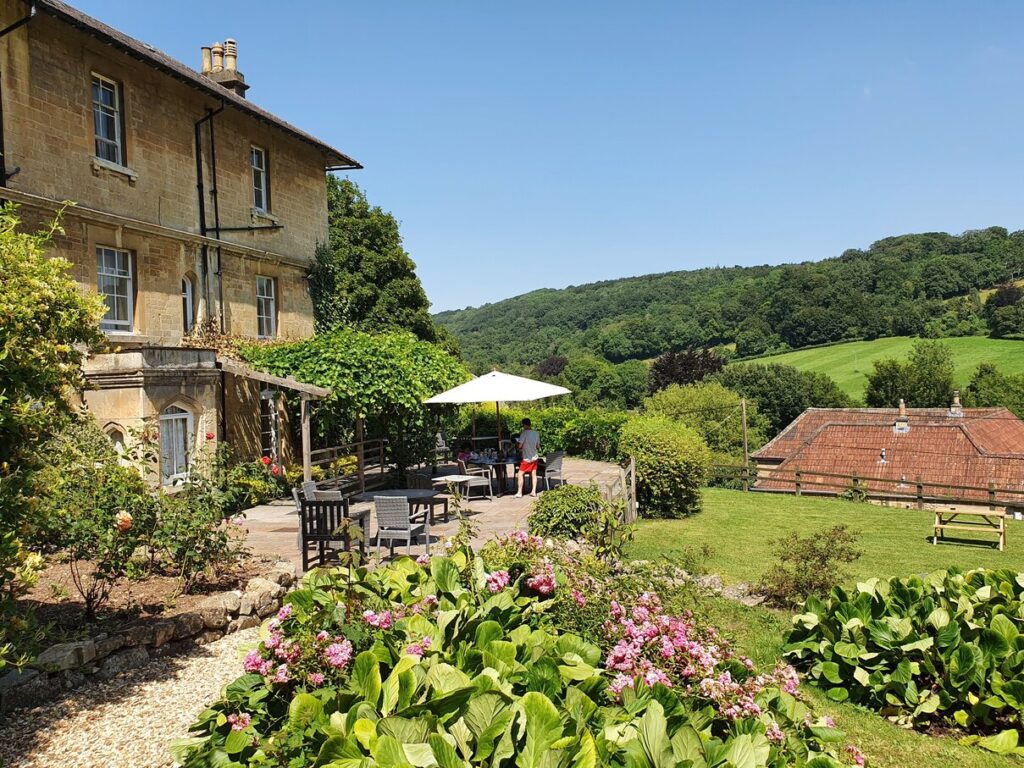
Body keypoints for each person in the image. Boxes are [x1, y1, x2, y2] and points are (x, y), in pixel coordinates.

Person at [514, 418, 541, 498]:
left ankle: (519, 492)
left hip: (527, 458)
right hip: (534, 457)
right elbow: (538, 446)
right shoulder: (536, 433)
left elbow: (519, 446)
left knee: (520, 474)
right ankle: (533, 492)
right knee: (533, 474)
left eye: (523, 425)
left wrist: (517, 444)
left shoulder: (524, 433)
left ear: (524, 425)